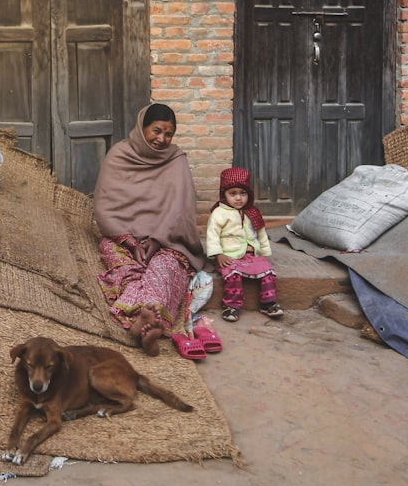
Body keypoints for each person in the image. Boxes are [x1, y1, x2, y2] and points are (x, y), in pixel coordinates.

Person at [93, 103, 207, 356]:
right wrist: (130, 242)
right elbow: (104, 206)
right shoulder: (119, 155)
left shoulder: (176, 160)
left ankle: (143, 318)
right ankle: (147, 317)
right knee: (126, 268)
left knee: (165, 269)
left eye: (169, 134)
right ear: (142, 127)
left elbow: (181, 211)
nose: (161, 139)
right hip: (122, 238)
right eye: (156, 131)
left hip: (167, 240)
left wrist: (157, 241)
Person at [206, 166, 284, 322]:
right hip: (229, 255)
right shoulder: (219, 213)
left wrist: (264, 252)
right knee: (233, 275)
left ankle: (268, 303)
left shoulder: (252, 212)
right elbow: (212, 235)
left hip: (251, 255)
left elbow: (260, 232)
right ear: (224, 195)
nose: (238, 198)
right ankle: (231, 306)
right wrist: (218, 254)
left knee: (268, 272)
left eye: (243, 193)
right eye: (232, 193)